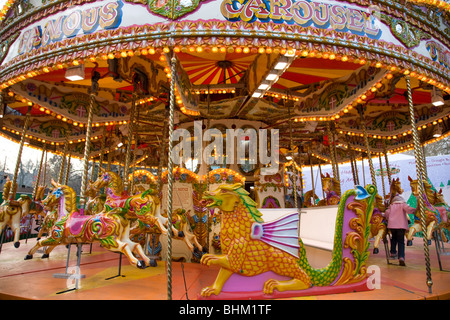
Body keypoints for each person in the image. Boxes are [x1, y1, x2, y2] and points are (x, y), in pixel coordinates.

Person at [384, 187, 415, 266]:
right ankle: (401, 256)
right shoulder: (403, 204)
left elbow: (387, 213)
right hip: (401, 226)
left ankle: (393, 252)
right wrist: (416, 210)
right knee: (401, 241)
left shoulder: (391, 206)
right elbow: (409, 210)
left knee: (393, 238)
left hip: (392, 226)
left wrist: (386, 217)